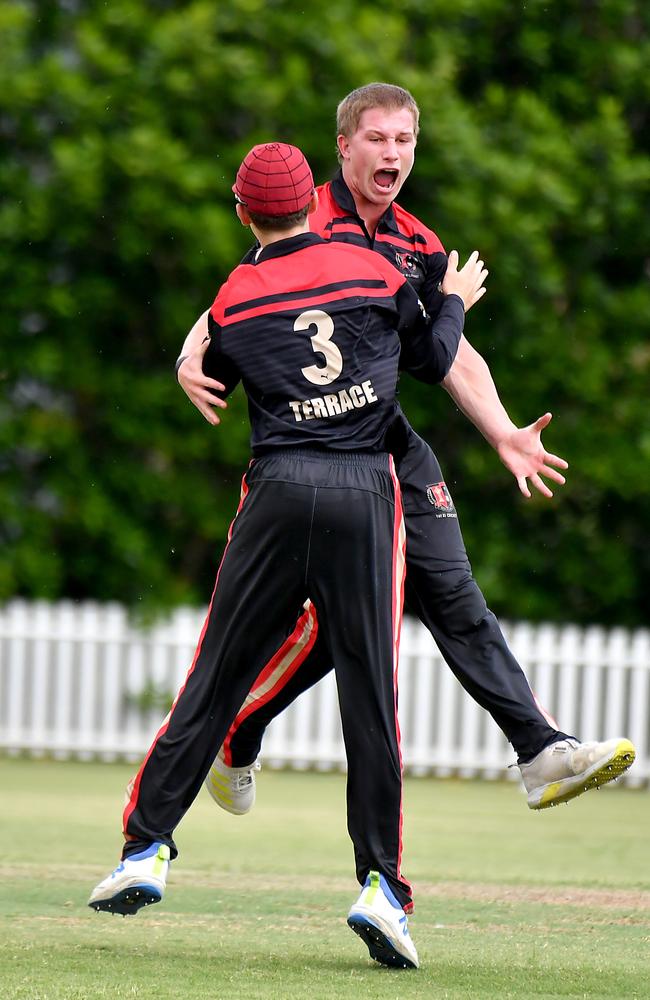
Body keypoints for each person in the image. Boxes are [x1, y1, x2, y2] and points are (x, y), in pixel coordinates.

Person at [178, 84, 635, 812]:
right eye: (377, 139)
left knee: (454, 595)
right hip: (319, 452)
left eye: (403, 141)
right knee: (335, 631)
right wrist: (186, 356)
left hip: (391, 447)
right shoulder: (303, 217)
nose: (392, 153)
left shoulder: (417, 245)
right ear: (344, 147)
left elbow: (449, 354)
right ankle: (239, 729)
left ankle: (541, 751)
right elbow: (230, 298)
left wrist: (505, 433)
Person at [89, 141, 489, 970]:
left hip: (275, 489)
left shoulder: (235, 295)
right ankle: (382, 887)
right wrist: (450, 300)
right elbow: (428, 356)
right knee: (369, 699)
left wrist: (188, 361)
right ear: (313, 201)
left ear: (243, 214)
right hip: (363, 493)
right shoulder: (370, 268)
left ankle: (145, 850)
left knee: (216, 677)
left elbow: (223, 367)